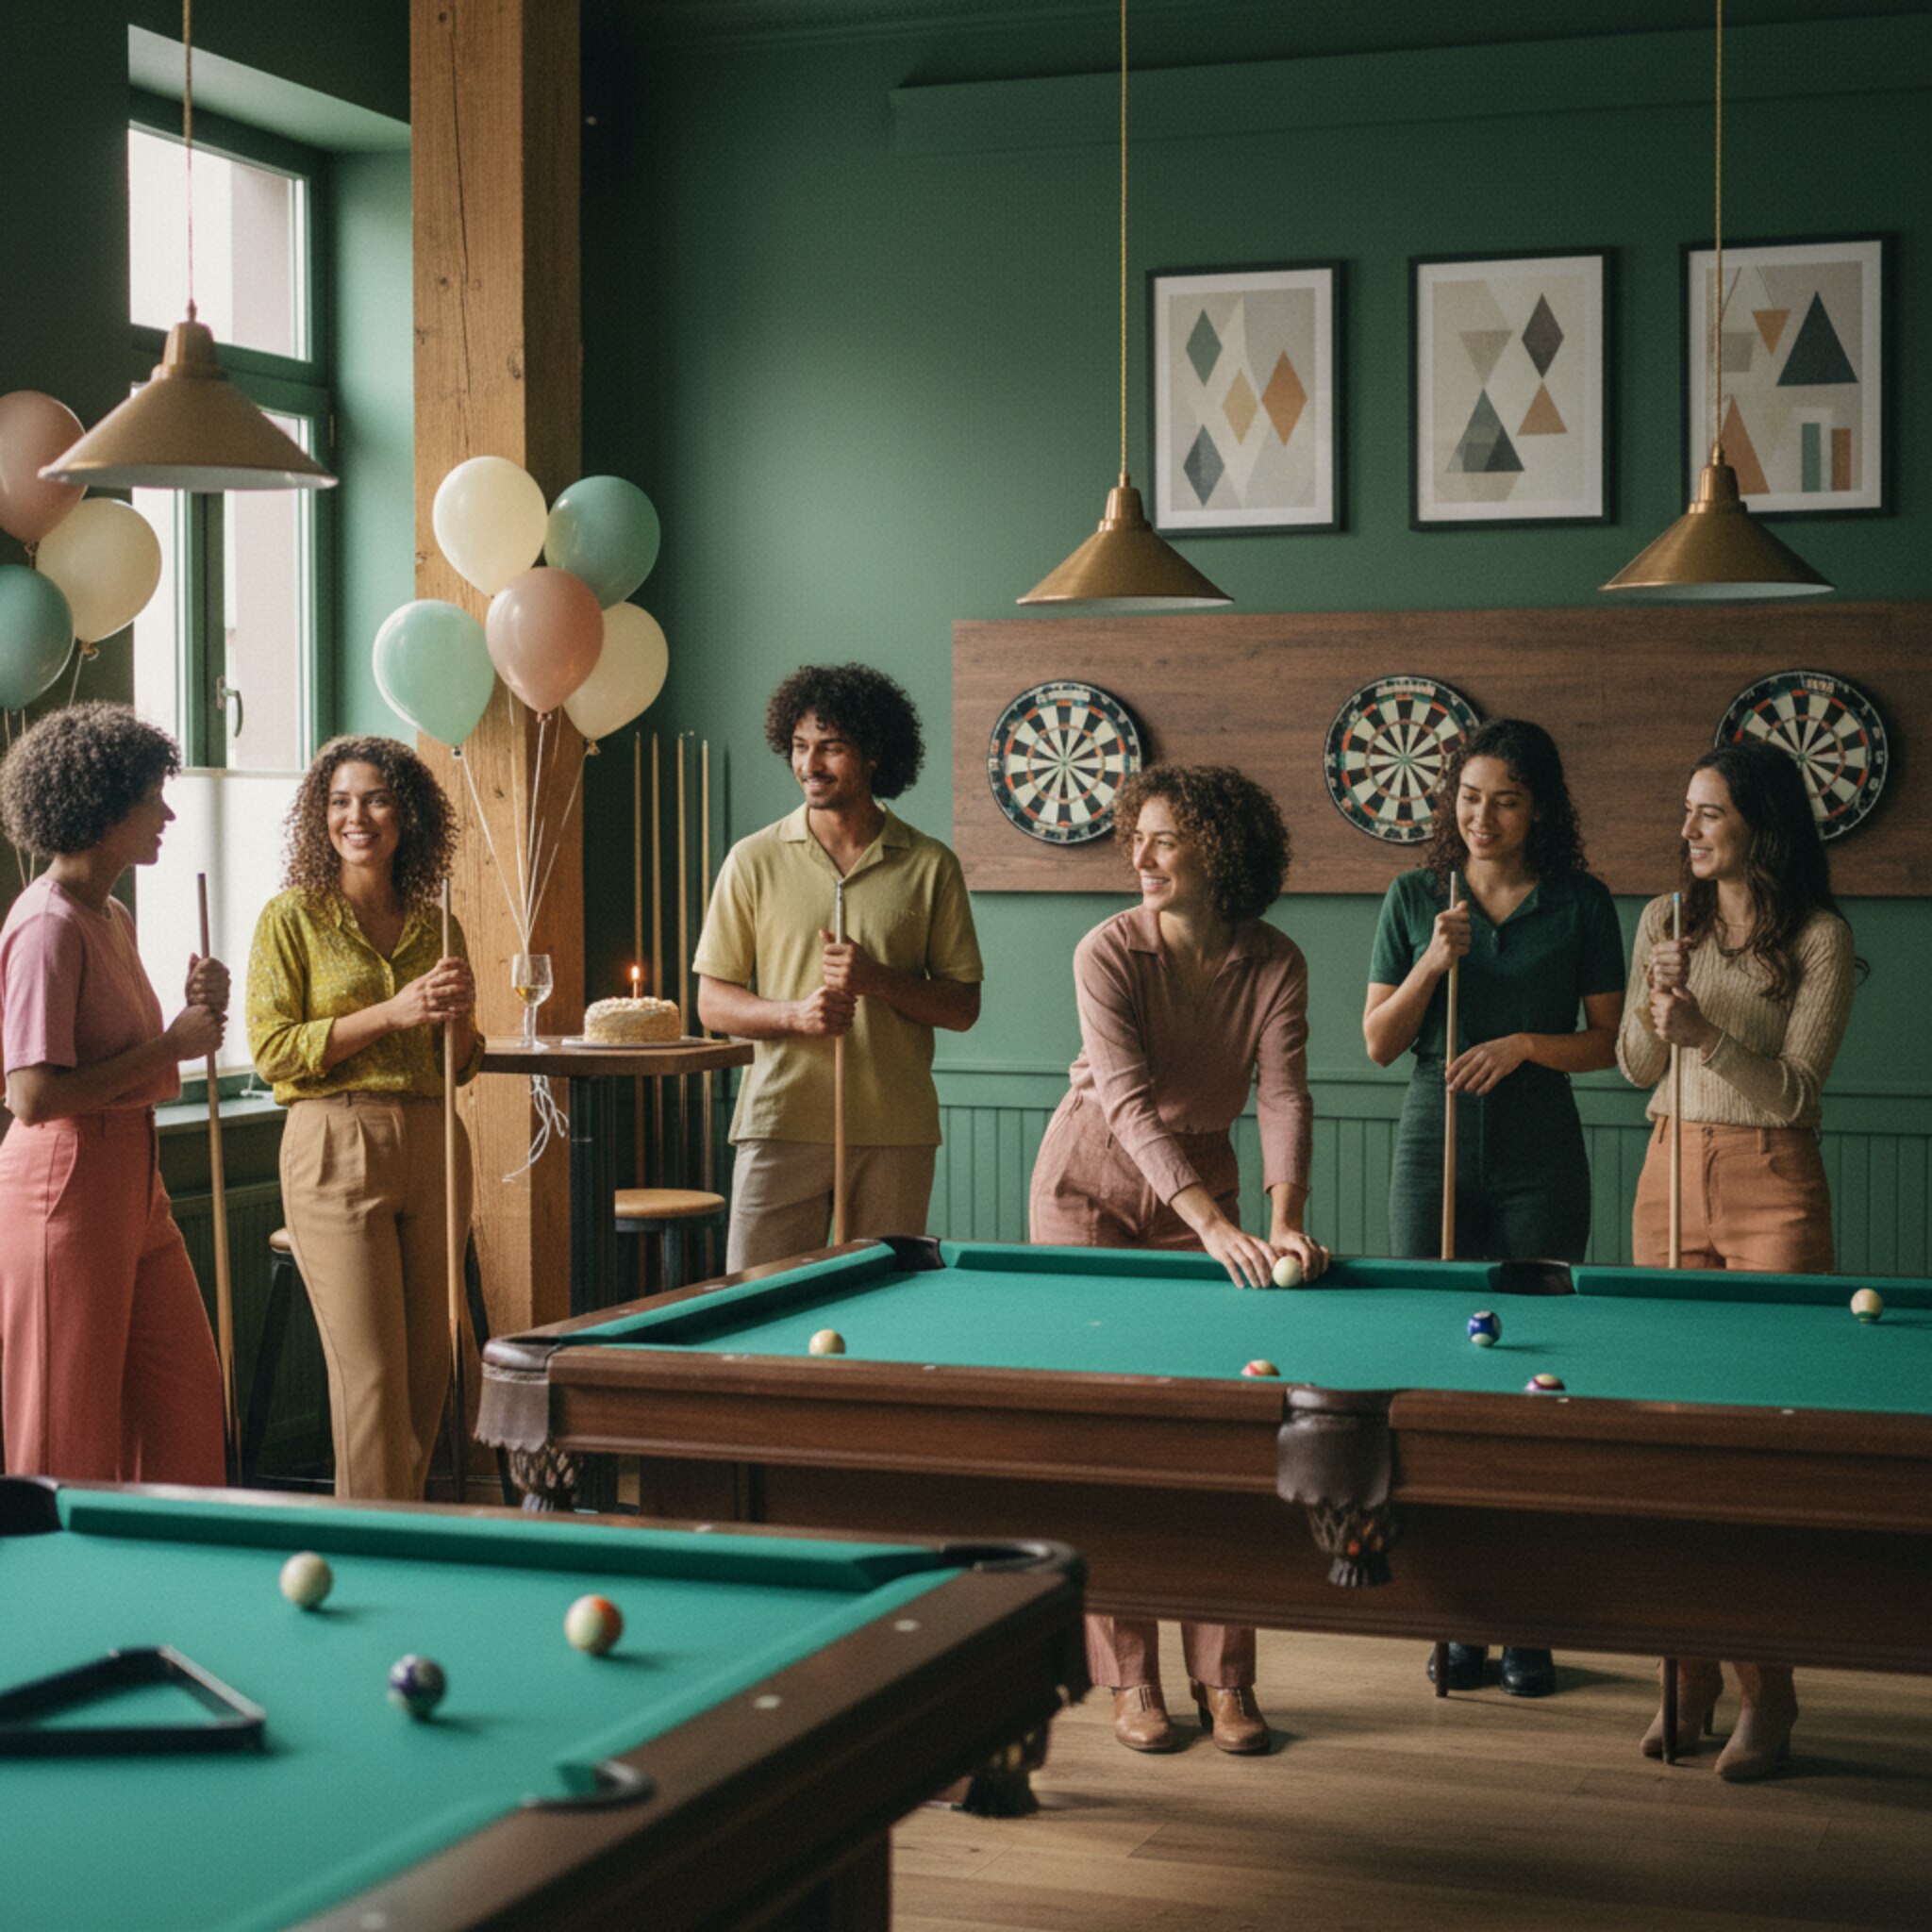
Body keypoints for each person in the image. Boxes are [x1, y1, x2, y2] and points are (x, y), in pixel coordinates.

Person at [1029, 762, 1326, 1757]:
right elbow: (1124, 1104)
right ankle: (1130, 1677)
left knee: (1219, 1432)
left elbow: (1283, 1094)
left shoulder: (1275, 959)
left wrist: (1283, 1221)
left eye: (1165, 838)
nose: (1141, 856)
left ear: (1220, 852)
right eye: (1137, 837)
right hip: (1087, 1180)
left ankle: (1225, 1679)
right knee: (1108, 1435)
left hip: (1204, 1179)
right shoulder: (1106, 949)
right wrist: (1211, 1226)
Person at [1363, 718, 1624, 1698]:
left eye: (1505, 800)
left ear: (1539, 809)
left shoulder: (1581, 902)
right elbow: (1378, 1042)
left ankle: (1528, 1620)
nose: (1482, 817)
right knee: (1435, 1377)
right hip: (1433, 1139)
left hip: (1539, 1149)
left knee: (1535, 1383)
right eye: (1468, 797)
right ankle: (1454, 1618)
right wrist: (1433, 963)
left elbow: (1608, 1043)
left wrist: (1522, 1044)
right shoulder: (1414, 896)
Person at [1618, 740, 1857, 1781]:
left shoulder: (1819, 937)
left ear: (1761, 823)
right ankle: (1686, 1676)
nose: (1688, 831)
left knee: (1760, 1450)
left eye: (1708, 813)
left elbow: (1797, 1090)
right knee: (1669, 1439)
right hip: (1669, 1168)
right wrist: (1654, 1004)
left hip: (1771, 1179)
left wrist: (1705, 1030)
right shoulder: (1663, 922)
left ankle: (1770, 1689)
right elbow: (1636, 1066)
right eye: (1686, 811)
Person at [245, 736, 481, 1502]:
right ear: (320, 816)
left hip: (435, 1140)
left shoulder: (437, 923)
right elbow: (274, 1052)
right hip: (334, 1141)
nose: (358, 817)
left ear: (406, 815)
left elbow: (460, 1064)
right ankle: (376, 1547)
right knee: (371, 1380)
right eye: (340, 801)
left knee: (430, 1371)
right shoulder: (292, 918)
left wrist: (458, 1020)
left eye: (376, 799)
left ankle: (398, 1531)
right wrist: (393, 1012)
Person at [0, 702, 227, 1485]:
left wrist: (190, 1010)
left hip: (135, 1185)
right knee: (63, 1432)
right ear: (101, 811)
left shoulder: (112, 914)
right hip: (63, 1193)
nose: (167, 814)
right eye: (150, 799)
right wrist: (172, 1045)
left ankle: (177, 1561)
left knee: (186, 1408)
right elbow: (31, 1096)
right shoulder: (46, 927)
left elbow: (121, 1053)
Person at [695, 664, 983, 1271]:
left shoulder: (931, 865)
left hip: (895, 1130)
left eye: (831, 747)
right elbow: (713, 1002)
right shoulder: (752, 860)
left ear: (874, 754)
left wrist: (878, 980)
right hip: (779, 1121)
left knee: (885, 1307)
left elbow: (962, 1008)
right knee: (758, 1301)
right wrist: (795, 1016)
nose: (810, 764)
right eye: (800, 746)